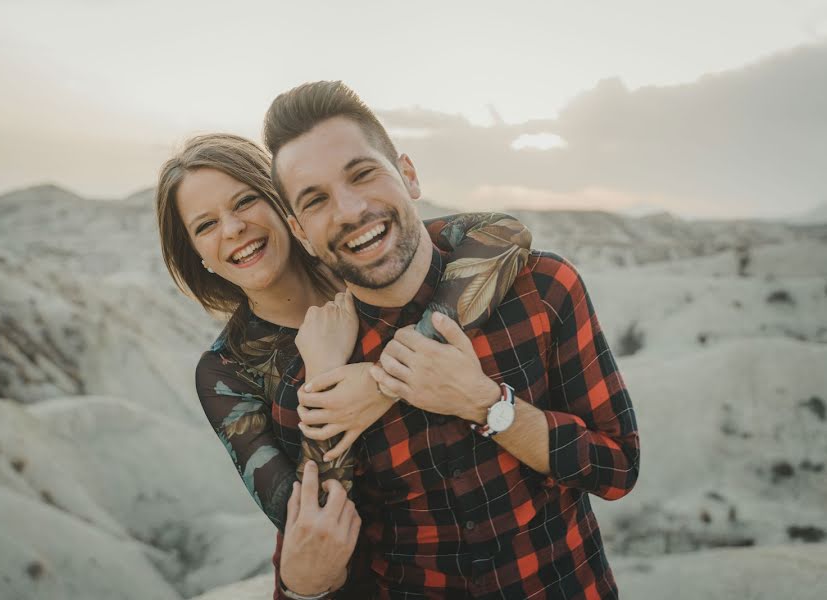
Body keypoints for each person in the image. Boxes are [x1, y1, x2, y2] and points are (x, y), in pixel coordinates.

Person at [263, 81, 641, 599]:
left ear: (409, 174)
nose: (349, 210)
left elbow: (617, 467)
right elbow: (314, 563)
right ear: (300, 233)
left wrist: (487, 405)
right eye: (316, 200)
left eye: (363, 174)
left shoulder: (542, 289)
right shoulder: (309, 381)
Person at [154, 134, 533, 598]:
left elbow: (505, 233)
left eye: (245, 202)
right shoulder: (225, 371)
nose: (232, 228)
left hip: (513, 555)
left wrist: (384, 381)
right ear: (198, 256)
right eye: (206, 225)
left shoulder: (370, 262)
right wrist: (323, 373)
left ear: (281, 205)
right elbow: (309, 518)